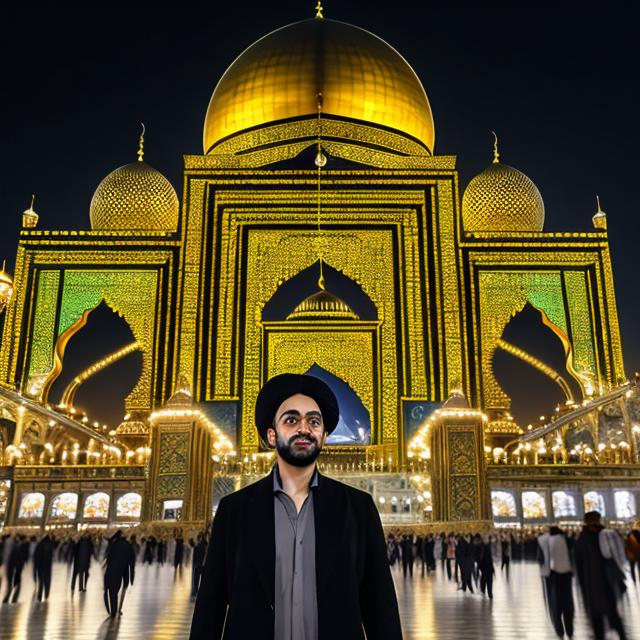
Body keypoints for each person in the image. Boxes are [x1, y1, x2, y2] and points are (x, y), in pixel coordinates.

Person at [190, 373, 402, 640]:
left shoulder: (357, 509)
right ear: (271, 434)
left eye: (313, 421)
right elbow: (211, 605)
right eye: (291, 420)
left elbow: (379, 604)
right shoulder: (235, 510)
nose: (304, 428)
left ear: (323, 436)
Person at [574, 511, 627, 640]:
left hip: (591, 584)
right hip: (608, 581)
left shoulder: (581, 539)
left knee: (596, 618)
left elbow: (578, 565)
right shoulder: (606, 535)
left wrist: (581, 586)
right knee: (613, 614)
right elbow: (618, 556)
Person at [103, 530, 136, 618]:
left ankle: (113, 611)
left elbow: (108, 558)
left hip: (110, 571)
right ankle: (117, 609)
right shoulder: (128, 546)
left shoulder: (114, 545)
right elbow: (132, 563)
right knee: (117, 591)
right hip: (122, 572)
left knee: (111, 591)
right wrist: (131, 577)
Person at [33, 533, 55, 601]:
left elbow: (35, 556)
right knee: (47, 580)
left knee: (41, 581)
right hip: (48, 566)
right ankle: (46, 594)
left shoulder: (39, 544)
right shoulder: (51, 545)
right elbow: (52, 556)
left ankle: (39, 596)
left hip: (40, 566)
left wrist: (35, 566)